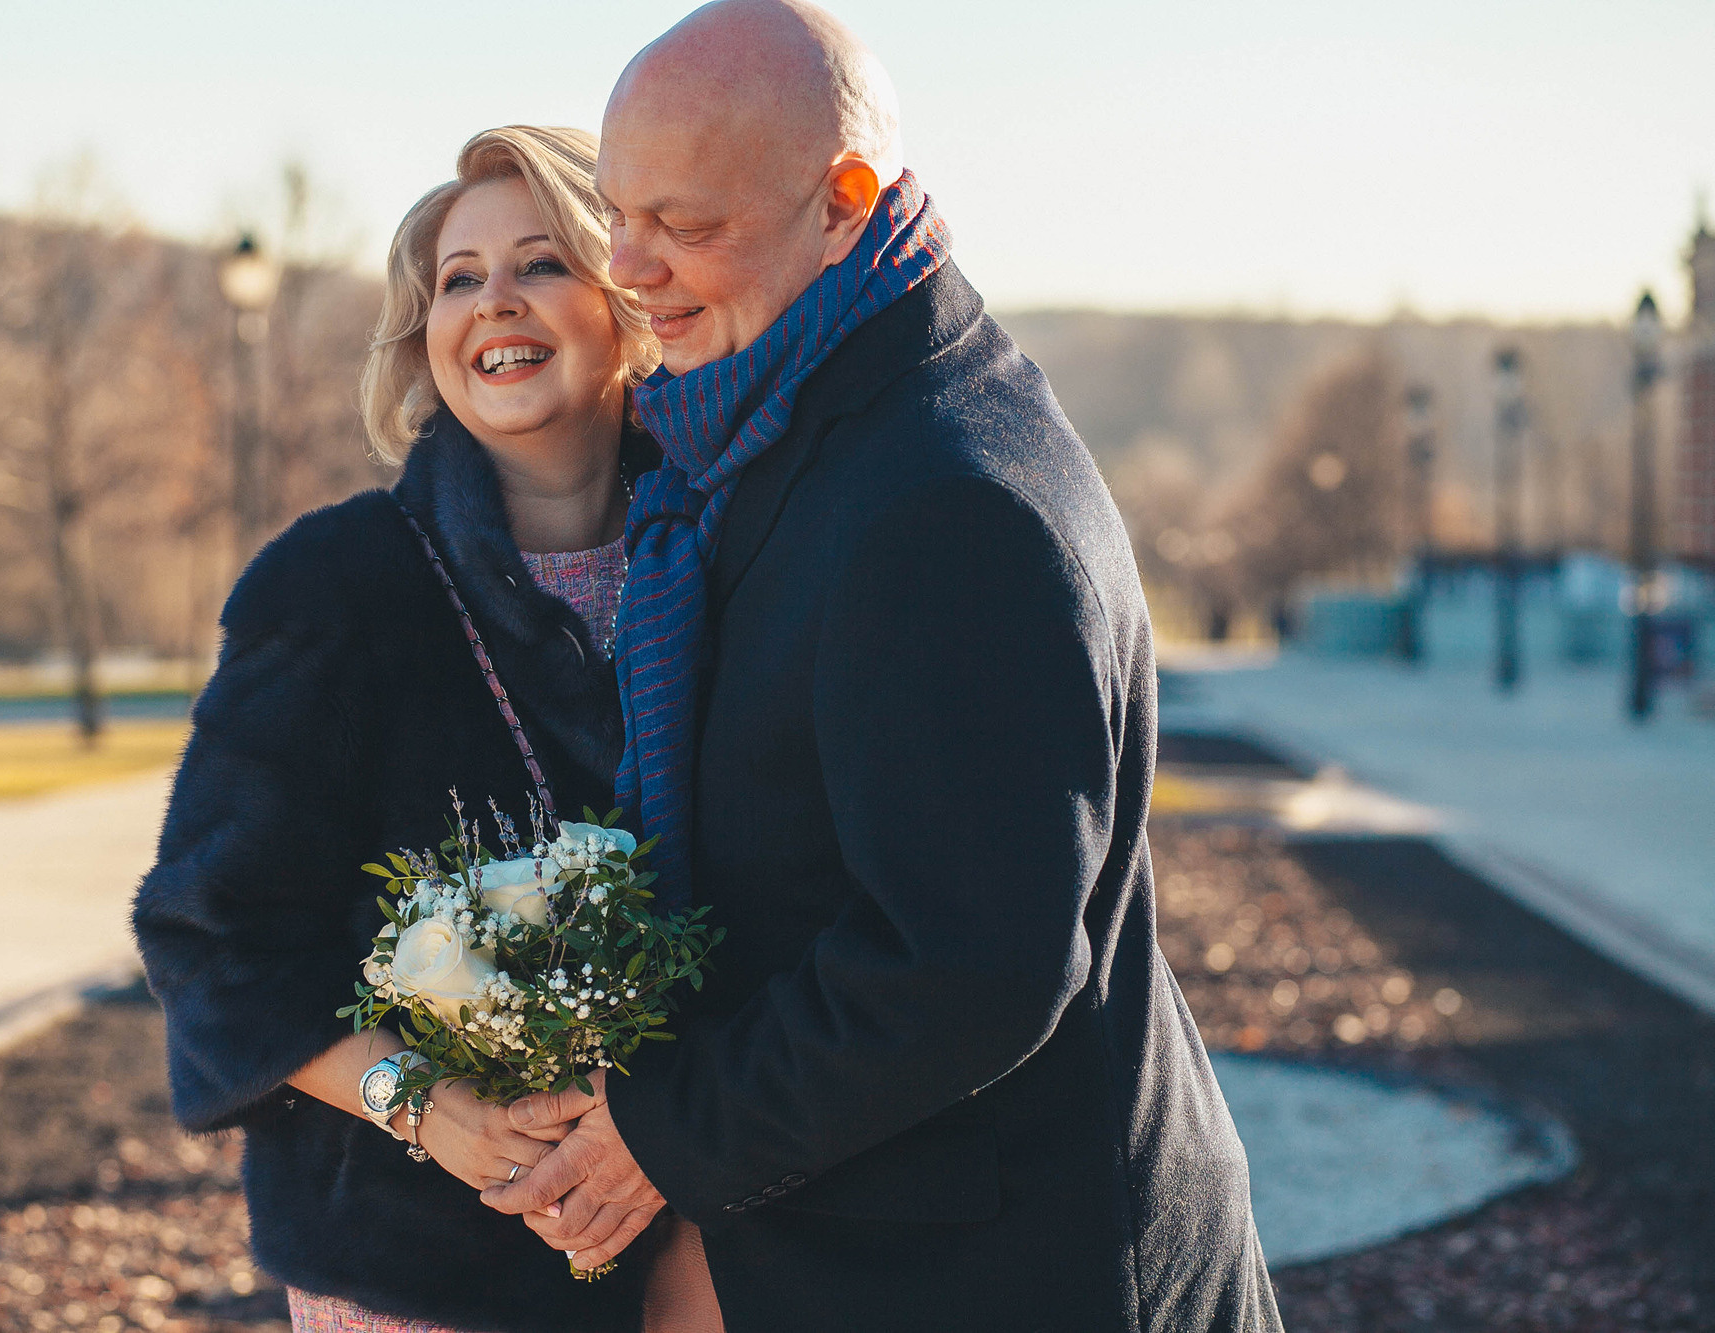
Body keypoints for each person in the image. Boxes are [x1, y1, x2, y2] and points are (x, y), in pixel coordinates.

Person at [479, 4, 1285, 1330]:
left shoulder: (947, 500)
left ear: (844, 202)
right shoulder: (771, 420)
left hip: (1012, 1276)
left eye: (685, 223)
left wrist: (666, 1134)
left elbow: (965, 962)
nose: (629, 266)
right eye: (618, 214)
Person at [133, 126, 663, 1333]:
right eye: (457, 280)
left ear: (630, 296)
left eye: (540, 263)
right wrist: (422, 1100)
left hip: (701, 1239)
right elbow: (208, 936)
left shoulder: (734, 559)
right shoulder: (331, 585)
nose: (493, 303)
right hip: (415, 1263)